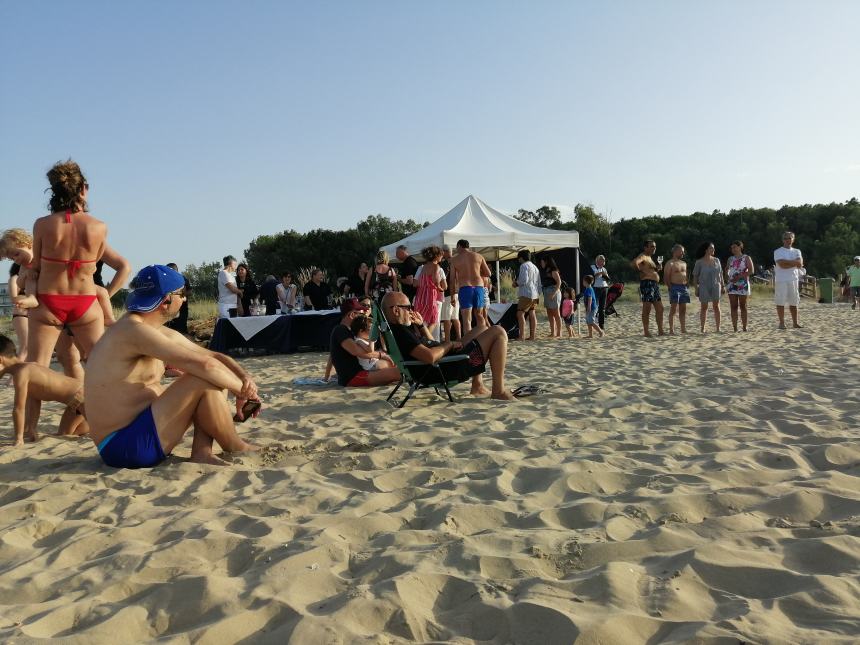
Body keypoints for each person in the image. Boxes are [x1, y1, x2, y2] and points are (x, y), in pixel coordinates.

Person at [85, 265, 260, 468]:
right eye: (182, 294)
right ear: (166, 300)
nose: (185, 299)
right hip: (124, 446)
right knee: (203, 376)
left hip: (135, 435)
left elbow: (213, 356)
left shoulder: (145, 328)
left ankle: (202, 453)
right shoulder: (133, 331)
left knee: (210, 376)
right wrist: (245, 393)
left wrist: (245, 378)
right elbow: (206, 365)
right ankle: (235, 445)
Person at [27, 160, 108, 365]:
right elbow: (95, 262)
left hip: (48, 299)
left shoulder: (42, 225)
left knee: (37, 369)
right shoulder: (99, 226)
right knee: (100, 367)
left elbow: (36, 263)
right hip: (85, 301)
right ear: (82, 189)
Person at [382, 291, 514, 400]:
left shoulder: (400, 329)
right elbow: (430, 356)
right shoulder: (401, 333)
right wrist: (450, 344)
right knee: (498, 332)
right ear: (396, 310)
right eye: (408, 308)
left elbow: (432, 344)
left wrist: (421, 326)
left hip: (444, 362)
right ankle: (498, 390)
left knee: (482, 328)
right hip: (448, 367)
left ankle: (477, 385)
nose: (411, 311)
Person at [0, 334, 88, 446]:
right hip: (76, 401)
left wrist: (18, 438)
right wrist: (32, 427)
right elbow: (35, 400)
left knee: (100, 430)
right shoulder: (31, 366)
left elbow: (18, 409)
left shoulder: (21, 374)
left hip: (81, 398)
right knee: (64, 433)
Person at [324, 298, 400, 386]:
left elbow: (332, 356)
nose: (364, 316)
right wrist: (382, 355)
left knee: (393, 366)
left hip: (357, 374)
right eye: (360, 314)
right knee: (398, 372)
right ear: (352, 314)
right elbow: (357, 351)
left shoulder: (349, 331)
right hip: (354, 377)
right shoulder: (341, 330)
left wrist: (327, 377)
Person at [449, 239, 491, 334]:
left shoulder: (455, 259)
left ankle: (468, 343)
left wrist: (452, 296)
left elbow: (452, 280)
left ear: (459, 246)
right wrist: (477, 272)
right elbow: (488, 273)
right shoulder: (479, 256)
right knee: (479, 316)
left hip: (465, 288)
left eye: (456, 247)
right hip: (478, 288)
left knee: (467, 320)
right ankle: (483, 338)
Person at [630, 240, 665, 337]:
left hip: (654, 285)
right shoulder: (643, 256)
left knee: (660, 308)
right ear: (645, 248)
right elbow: (634, 263)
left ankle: (660, 331)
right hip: (647, 284)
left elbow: (649, 269)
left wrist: (657, 268)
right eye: (652, 246)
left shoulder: (649, 258)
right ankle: (646, 332)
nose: (654, 248)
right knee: (647, 308)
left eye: (655, 246)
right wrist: (641, 273)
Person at [413, 245, 447, 340]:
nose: (442, 257)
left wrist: (424, 284)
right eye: (441, 255)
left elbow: (415, 284)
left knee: (420, 320)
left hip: (420, 297)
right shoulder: (437, 267)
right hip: (431, 297)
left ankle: (420, 337)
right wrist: (440, 288)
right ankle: (425, 338)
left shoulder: (422, 268)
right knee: (434, 320)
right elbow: (438, 282)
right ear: (436, 256)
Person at [773, 231, 804, 329]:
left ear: (793, 239)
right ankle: (782, 323)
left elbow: (800, 264)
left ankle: (795, 323)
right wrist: (794, 263)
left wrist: (789, 263)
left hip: (794, 279)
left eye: (790, 238)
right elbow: (782, 265)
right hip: (781, 280)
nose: (788, 240)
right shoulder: (778, 251)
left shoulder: (797, 251)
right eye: (786, 238)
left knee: (794, 302)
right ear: (783, 240)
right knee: (780, 301)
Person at [692, 242, 725, 333]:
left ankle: (718, 328)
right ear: (706, 250)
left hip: (716, 285)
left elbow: (721, 274)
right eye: (711, 248)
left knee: (716, 307)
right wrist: (696, 288)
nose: (713, 250)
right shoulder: (699, 262)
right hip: (703, 286)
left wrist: (723, 285)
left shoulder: (717, 260)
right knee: (704, 307)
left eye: (713, 248)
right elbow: (695, 276)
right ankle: (703, 328)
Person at [726, 241, 754, 332]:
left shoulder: (746, 258)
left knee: (743, 306)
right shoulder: (730, 258)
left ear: (740, 247)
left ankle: (744, 327)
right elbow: (727, 269)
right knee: (733, 306)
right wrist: (728, 277)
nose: (733, 249)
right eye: (732, 247)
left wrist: (739, 277)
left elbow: (751, 271)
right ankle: (735, 328)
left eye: (734, 247)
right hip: (732, 284)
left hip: (743, 284)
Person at [513, 249, 541, 341]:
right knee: (532, 313)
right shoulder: (535, 267)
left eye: (519, 258)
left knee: (520, 313)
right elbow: (539, 282)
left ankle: (522, 336)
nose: (518, 260)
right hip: (535, 294)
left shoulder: (523, 266)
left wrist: (516, 283)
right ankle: (532, 336)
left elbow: (524, 280)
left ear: (521, 258)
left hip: (526, 293)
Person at [663, 244, 690, 335]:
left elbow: (685, 275)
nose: (683, 253)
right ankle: (671, 330)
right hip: (674, 287)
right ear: (675, 251)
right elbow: (666, 277)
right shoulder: (670, 263)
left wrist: (687, 284)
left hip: (684, 287)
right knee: (673, 309)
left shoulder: (684, 263)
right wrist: (670, 288)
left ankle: (683, 329)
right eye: (681, 251)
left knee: (683, 309)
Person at [439, 244, 461, 342]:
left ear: (445, 252)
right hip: (456, 291)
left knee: (446, 318)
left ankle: (447, 339)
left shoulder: (445, 263)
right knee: (455, 317)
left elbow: (442, 278)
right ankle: (459, 337)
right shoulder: (457, 261)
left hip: (448, 292)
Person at [164, 262, 192, 333]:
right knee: (168, 331)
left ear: (175, 271)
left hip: (182, 309)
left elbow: (189, 292)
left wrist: (179, 294)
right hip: (168, 310)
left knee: (181, 331)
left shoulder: (184, 279)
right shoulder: (165, 280)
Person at [539, 256, 562, 338]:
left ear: (546, 262)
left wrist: (554, 293)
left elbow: (559, 282)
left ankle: (559, 333)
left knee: (556, 313)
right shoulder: (545, 271)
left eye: (542, 262)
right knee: (549, 313)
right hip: (546, 291)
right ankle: (553, 332)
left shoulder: (553, 271)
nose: (541, 264)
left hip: (553, 291)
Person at [591, 254, 610, 331]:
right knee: (595, 306)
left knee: (602, 308)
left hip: (604, 288)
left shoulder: (604, 269)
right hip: (596, 288)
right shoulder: (593, 267)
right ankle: (592, 322)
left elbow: (608, 278)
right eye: (602, 260)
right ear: (597, 261)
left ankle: (601, 325)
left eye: (604, 260)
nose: (603, 262)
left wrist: (605, 276)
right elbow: (592, 276)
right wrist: (599, 273)